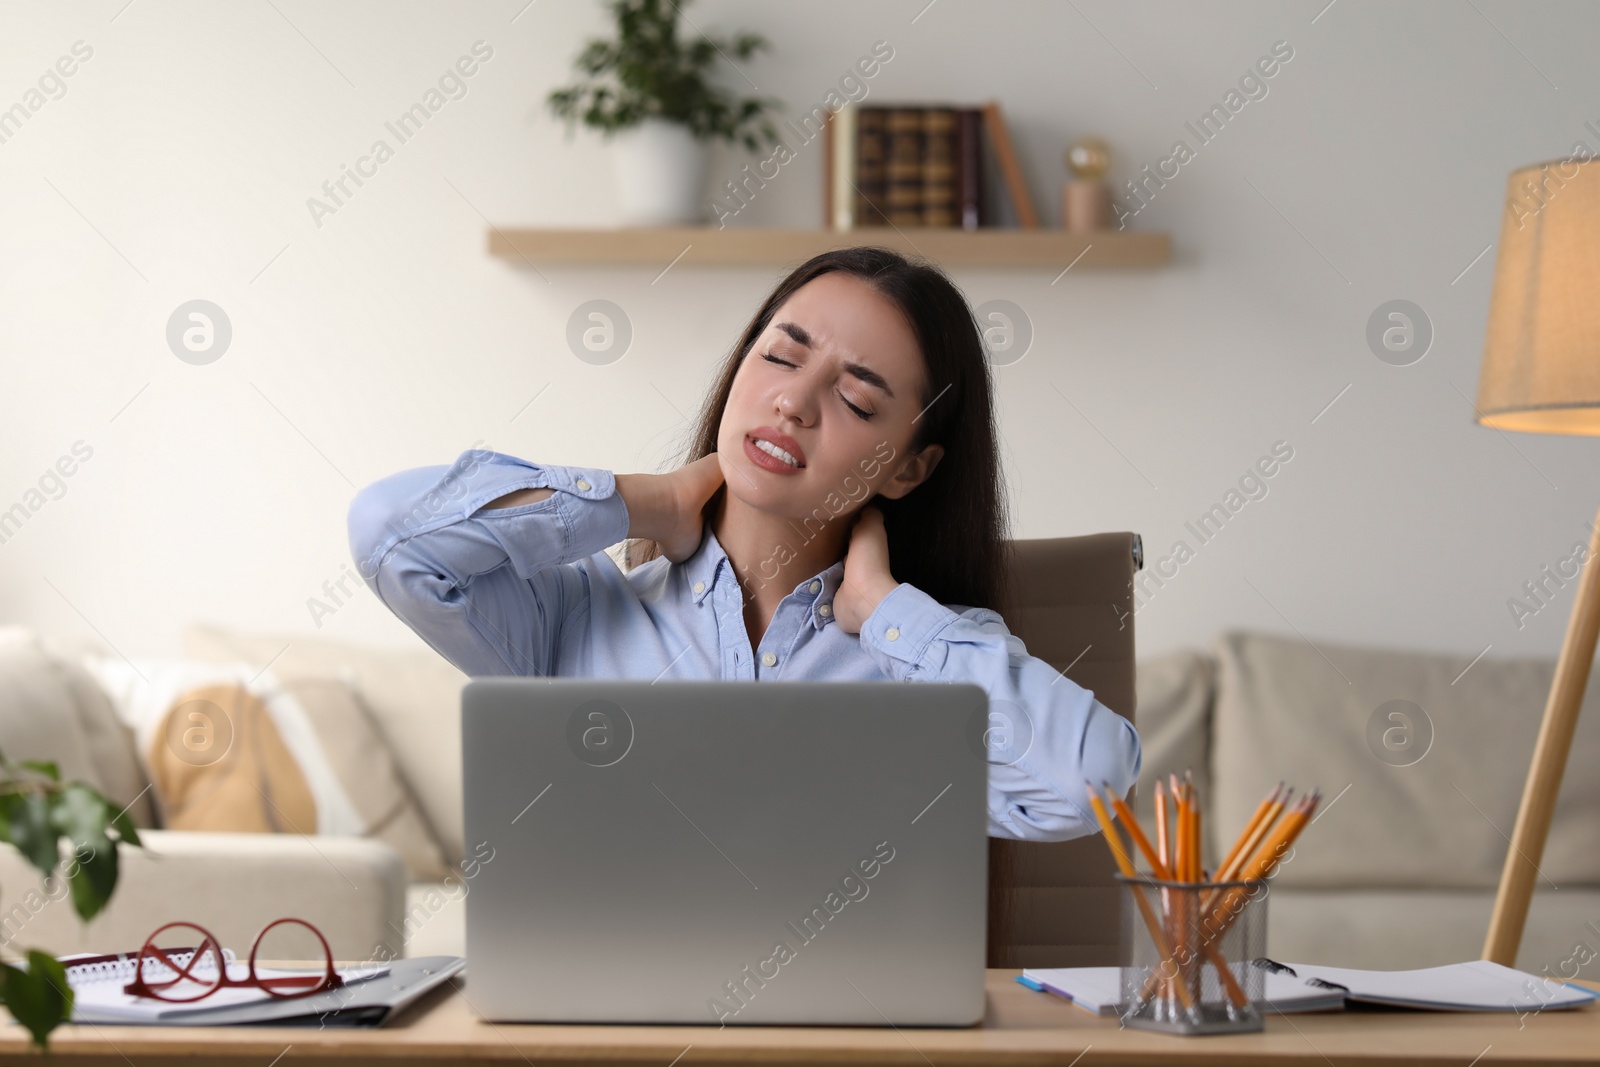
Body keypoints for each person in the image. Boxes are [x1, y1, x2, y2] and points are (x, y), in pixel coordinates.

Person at [347, 246, 1139, 842]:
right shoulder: (573, 618)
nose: (793, 400)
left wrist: (884, 609)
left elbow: (1091, 785)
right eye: (781, 356)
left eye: (857, 399)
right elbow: (392, 534)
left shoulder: (929, 668)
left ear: (907, 468)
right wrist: (643, 501)